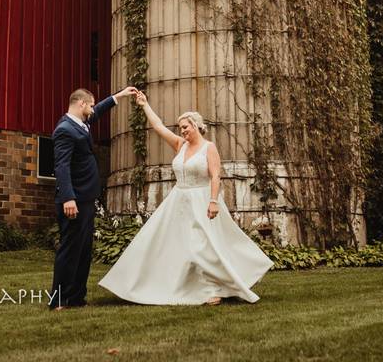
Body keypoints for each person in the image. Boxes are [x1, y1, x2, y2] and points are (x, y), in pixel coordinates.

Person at [98, 91, 274, 305]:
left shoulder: (209, 148)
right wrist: (144, 105)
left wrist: (213, 201)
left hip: (201, 200)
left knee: (202, 246)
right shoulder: (180, 145)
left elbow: (215, 175)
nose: (182, 131)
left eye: (185, 127)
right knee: (162, 243)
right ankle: (158, 284)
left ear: (197, 126)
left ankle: (215, 288)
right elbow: (159, 127)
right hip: (178, 201)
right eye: (181, 128)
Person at [50, 85, 137, 311]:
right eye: (89, 104)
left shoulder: (81, 123)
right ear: (81, 104)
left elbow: (97, 110)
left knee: (84, 250)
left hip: (86, 199)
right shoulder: (65, 129)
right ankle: (58, 300)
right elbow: (61, 166)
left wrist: (119, 96)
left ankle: (77, 297)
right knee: (70, 250)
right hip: (73, 200)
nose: (92, 108)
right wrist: (68, 197)